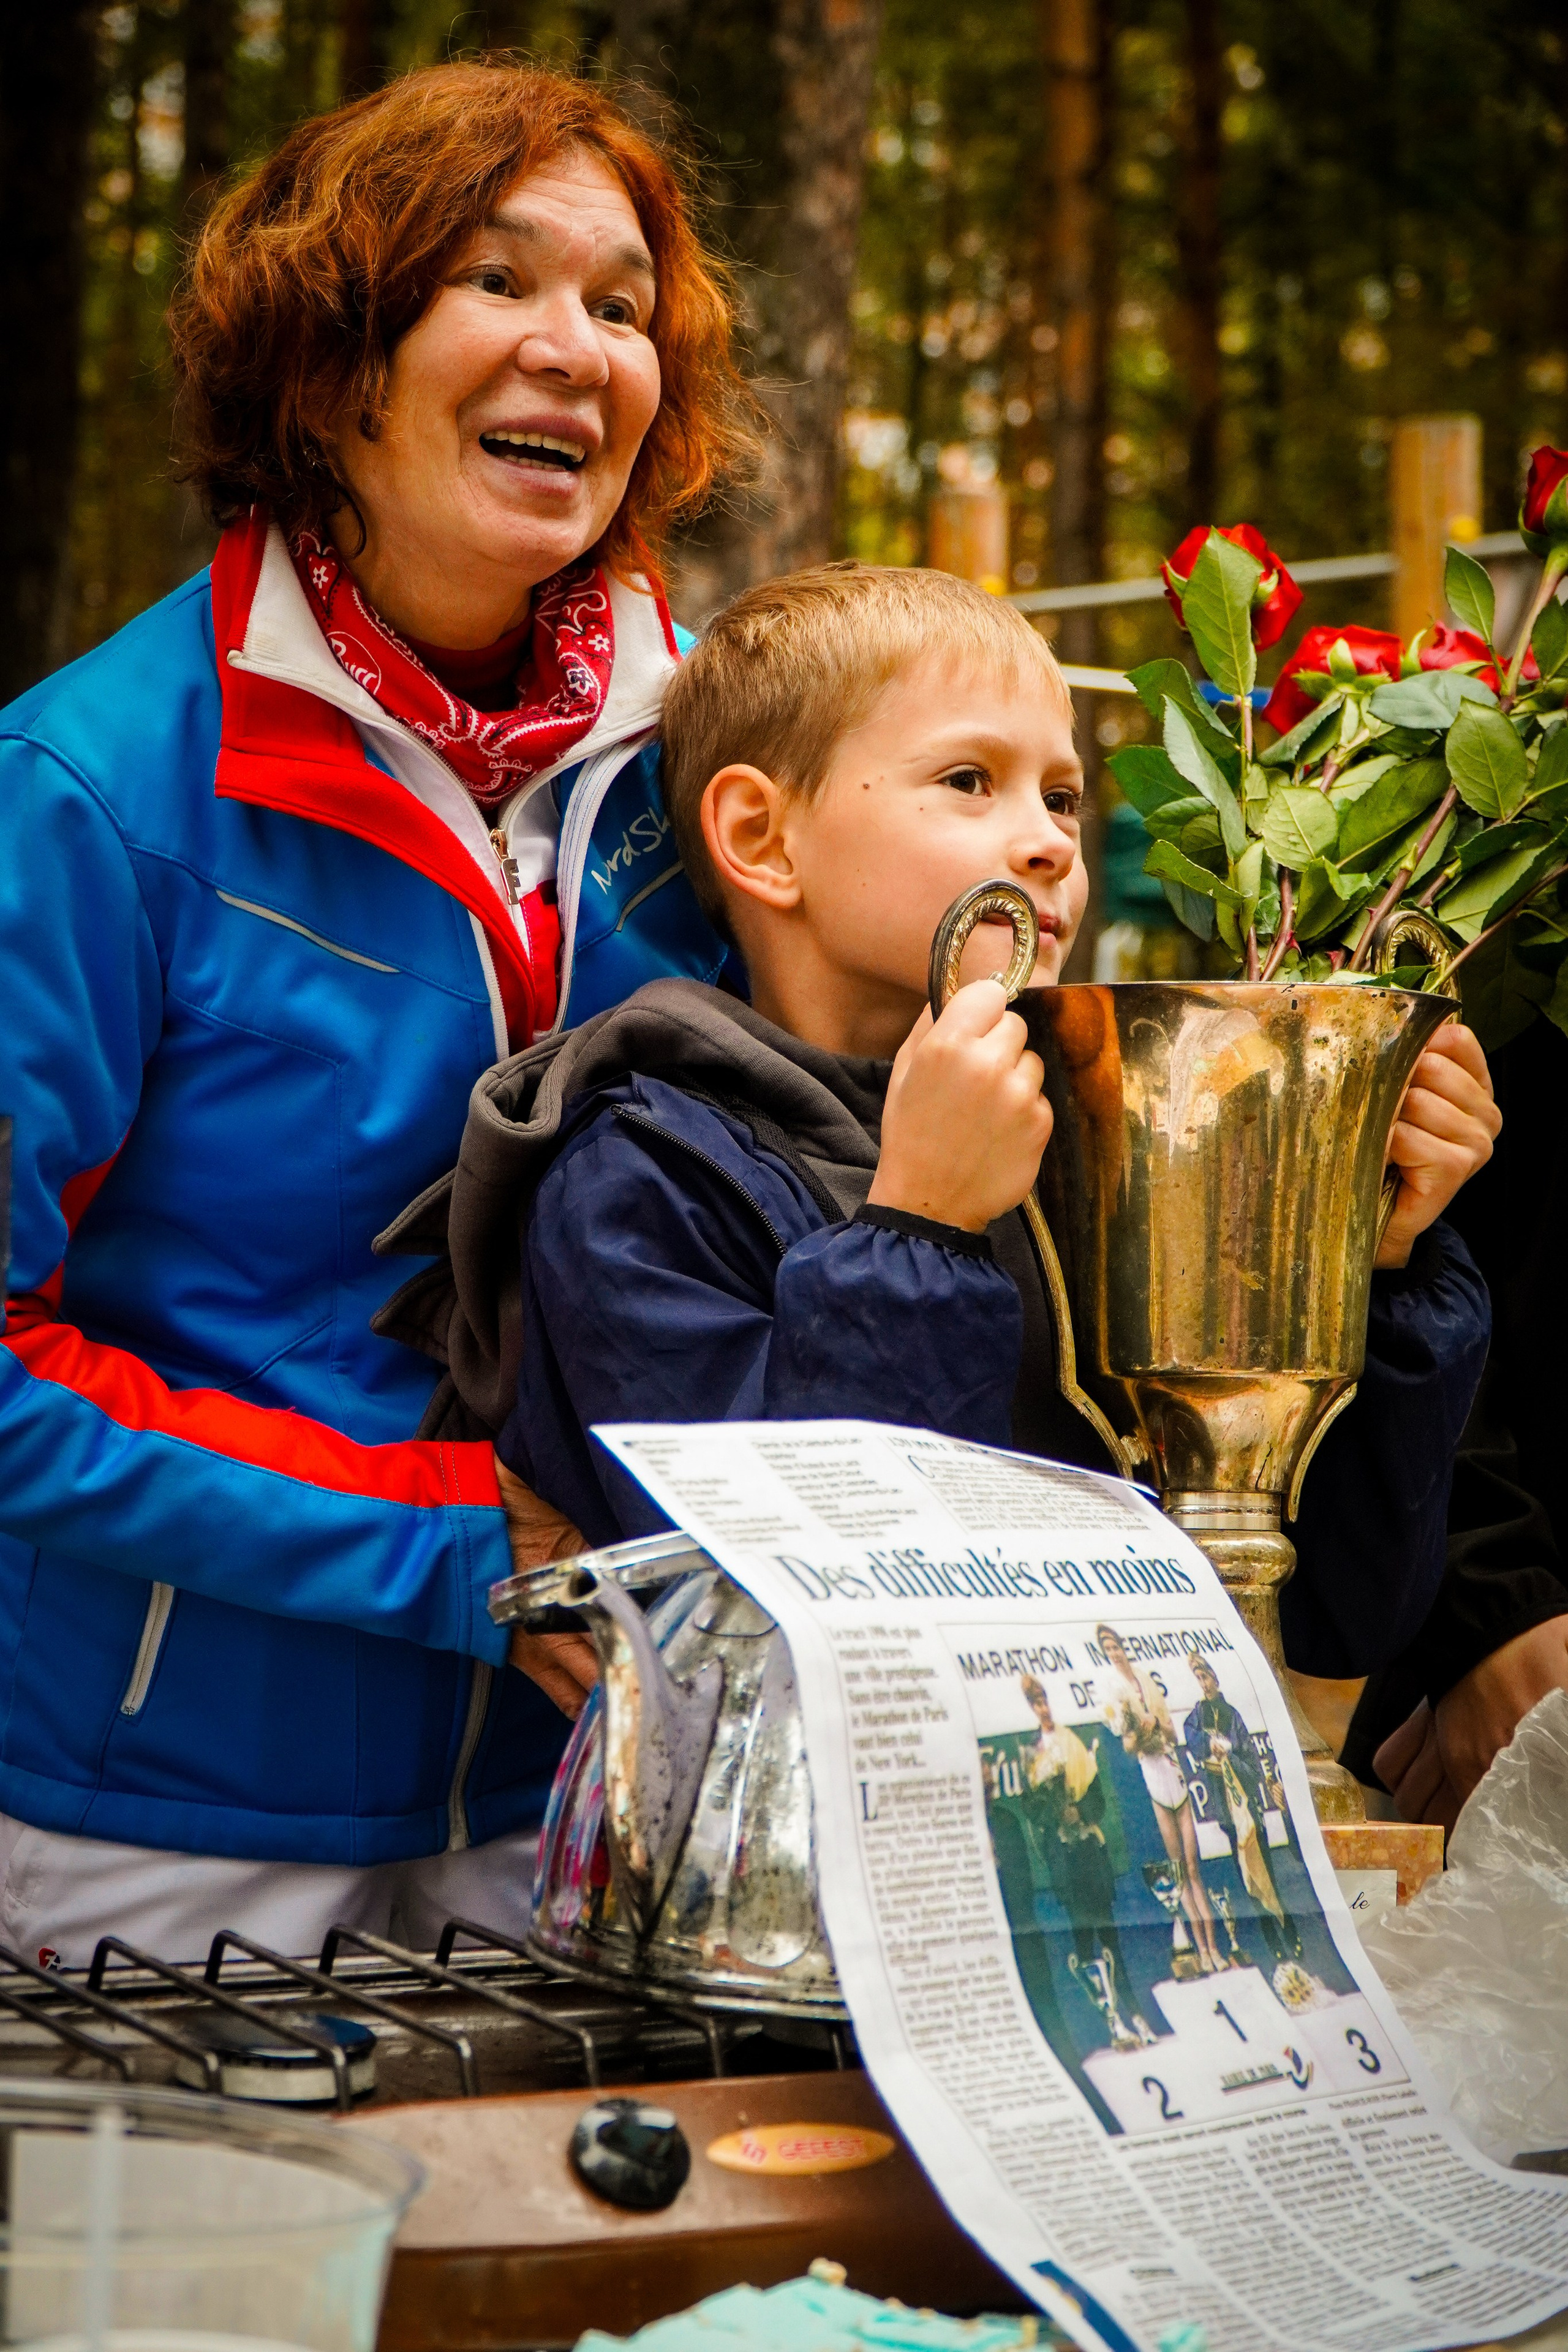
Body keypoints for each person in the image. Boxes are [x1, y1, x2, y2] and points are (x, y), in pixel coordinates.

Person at [0, 62, 755, 1963]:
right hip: (164, 1814)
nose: (575, 349)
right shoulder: (91, 788)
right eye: (498, 281)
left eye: (621, 306)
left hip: (595, 1784)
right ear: (333, 366)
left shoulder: (723, 771)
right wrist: (454, 1547)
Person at [386, 564, 1498, 1693]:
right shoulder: (641, 1179)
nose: (1051, 844)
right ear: (763, 837)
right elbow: (788, 1624)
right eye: (971, 780)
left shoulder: (1108, 1145)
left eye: (1061, 797)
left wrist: (1378, 1269)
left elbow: (1331, 1617)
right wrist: (919, 1227)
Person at [1018, 1678, 1153, 2048]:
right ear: (1030, 1709)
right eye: (1035, 1704)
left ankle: (1136, 2014)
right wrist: (1055, 1813)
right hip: (1066, 1865)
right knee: (1083, 1946)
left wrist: (1080, 1811)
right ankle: (1110, 2026)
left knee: (1110, 1939)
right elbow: (1033, 1809)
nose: (1043, 1708)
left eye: (1045, 1700)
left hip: (1093, 1858)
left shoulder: (1074, 1744)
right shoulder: (1030, 1757)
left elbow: (1098, 1801)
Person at [1095, 1627, 1224, 1975]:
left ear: (1123, 1647)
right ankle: (1201, 1950)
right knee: (1179, 1872)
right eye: (1107, 1648)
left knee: (1194, 1869)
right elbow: (1127, 1745)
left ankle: (1214, 1948)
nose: (1114, 1652)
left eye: (1116, 1646)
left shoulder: (1144, 1681)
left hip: (1172, 1772)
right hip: (1153, 1782)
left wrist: (1157, 1724)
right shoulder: (1114, 1692)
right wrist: (1137, 1730)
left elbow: (1170, 1730)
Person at [1180, 1657, 1297, 1970]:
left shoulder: (1233, 1716)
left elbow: (1254, 1766)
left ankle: (1290, 1931)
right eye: (1199, 1678)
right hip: (1225, 1807)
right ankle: (1272, 1942)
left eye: (1207, 1677)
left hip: (1247, 1806)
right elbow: (1191, 1738)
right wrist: (1210, 1744)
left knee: (1267, 1871)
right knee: (1247, 1879)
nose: (1204, 1683)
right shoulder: (1198, 1715)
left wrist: (1229, 1752)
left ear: (1216, 1679)